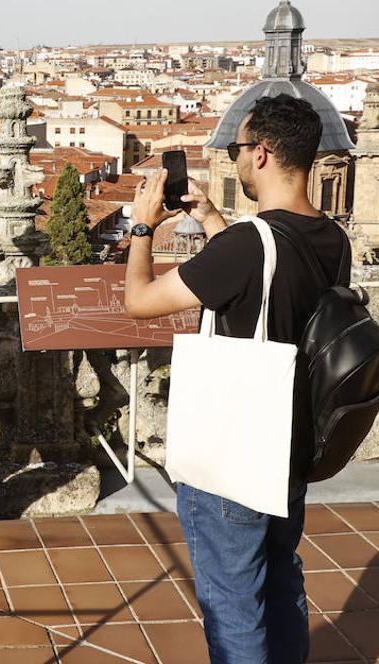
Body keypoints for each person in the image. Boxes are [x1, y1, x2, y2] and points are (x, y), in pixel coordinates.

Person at [124, 93, 347, 663]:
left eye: (239, 148)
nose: (235, 159)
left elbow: (140, 301)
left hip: (236, 454)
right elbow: (269, 276)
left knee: (233, 606)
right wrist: (209, 218)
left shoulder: (250, 245)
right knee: (281, 583)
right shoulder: (330, 236)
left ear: (265, 153)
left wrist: (142, 230)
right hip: (294, 444)